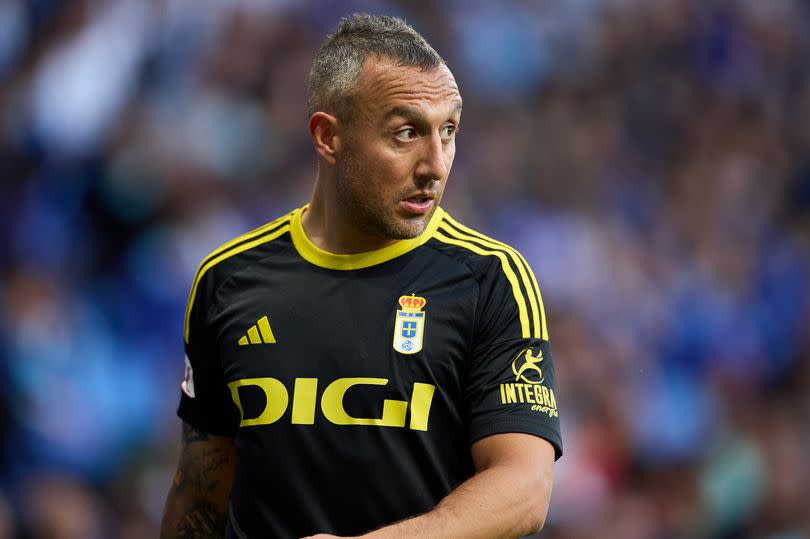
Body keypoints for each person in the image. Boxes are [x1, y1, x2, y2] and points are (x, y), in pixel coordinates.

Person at [160, 13, 562, 539]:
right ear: (329, 137)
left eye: (448, 131)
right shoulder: (228, 279)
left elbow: (524, 488)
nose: (435, 164)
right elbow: (200, 488)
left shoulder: (491, 279)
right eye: (406, 133)